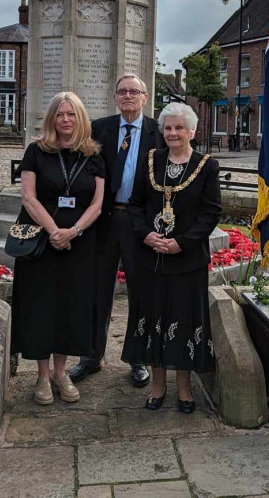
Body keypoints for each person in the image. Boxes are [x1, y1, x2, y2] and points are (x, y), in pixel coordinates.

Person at [122, 102, 221, 414]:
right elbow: (135, 204)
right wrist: (145, 235)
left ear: (192, 131)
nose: (173, 133)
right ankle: (157, 385)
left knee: (184, 319)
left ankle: (184, 388)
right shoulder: (151, 160)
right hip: (150, 257)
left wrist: (182, 243)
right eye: (168, 127)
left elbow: (211, 212)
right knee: (153, 318)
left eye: (179, 128)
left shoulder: (207, 165)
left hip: (187, 259)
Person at [69, 73, 162, 389]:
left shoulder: (158, 133)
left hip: (140, 225)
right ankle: (91, 357)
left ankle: (138, 359)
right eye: (122, 91)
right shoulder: (100, 129)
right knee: (97, 290)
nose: (127, 96)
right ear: (114, 97)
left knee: (140, 291)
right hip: (104, 220)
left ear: (145, 97)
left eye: (134, 91)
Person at [12, 91, 105, 405]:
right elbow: (28, 197)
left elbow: (98, 203)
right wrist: (55, 232)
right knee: (42, 306)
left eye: (71, 114)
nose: (65, 120)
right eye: (60, 114)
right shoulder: (36, 151)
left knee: (69, 305)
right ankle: (41, 374)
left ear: (80, 118)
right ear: (51, 118)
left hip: (78, 244)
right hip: (41, 241)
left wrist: (74, 231)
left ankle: (60, 372)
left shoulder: (93, 154)